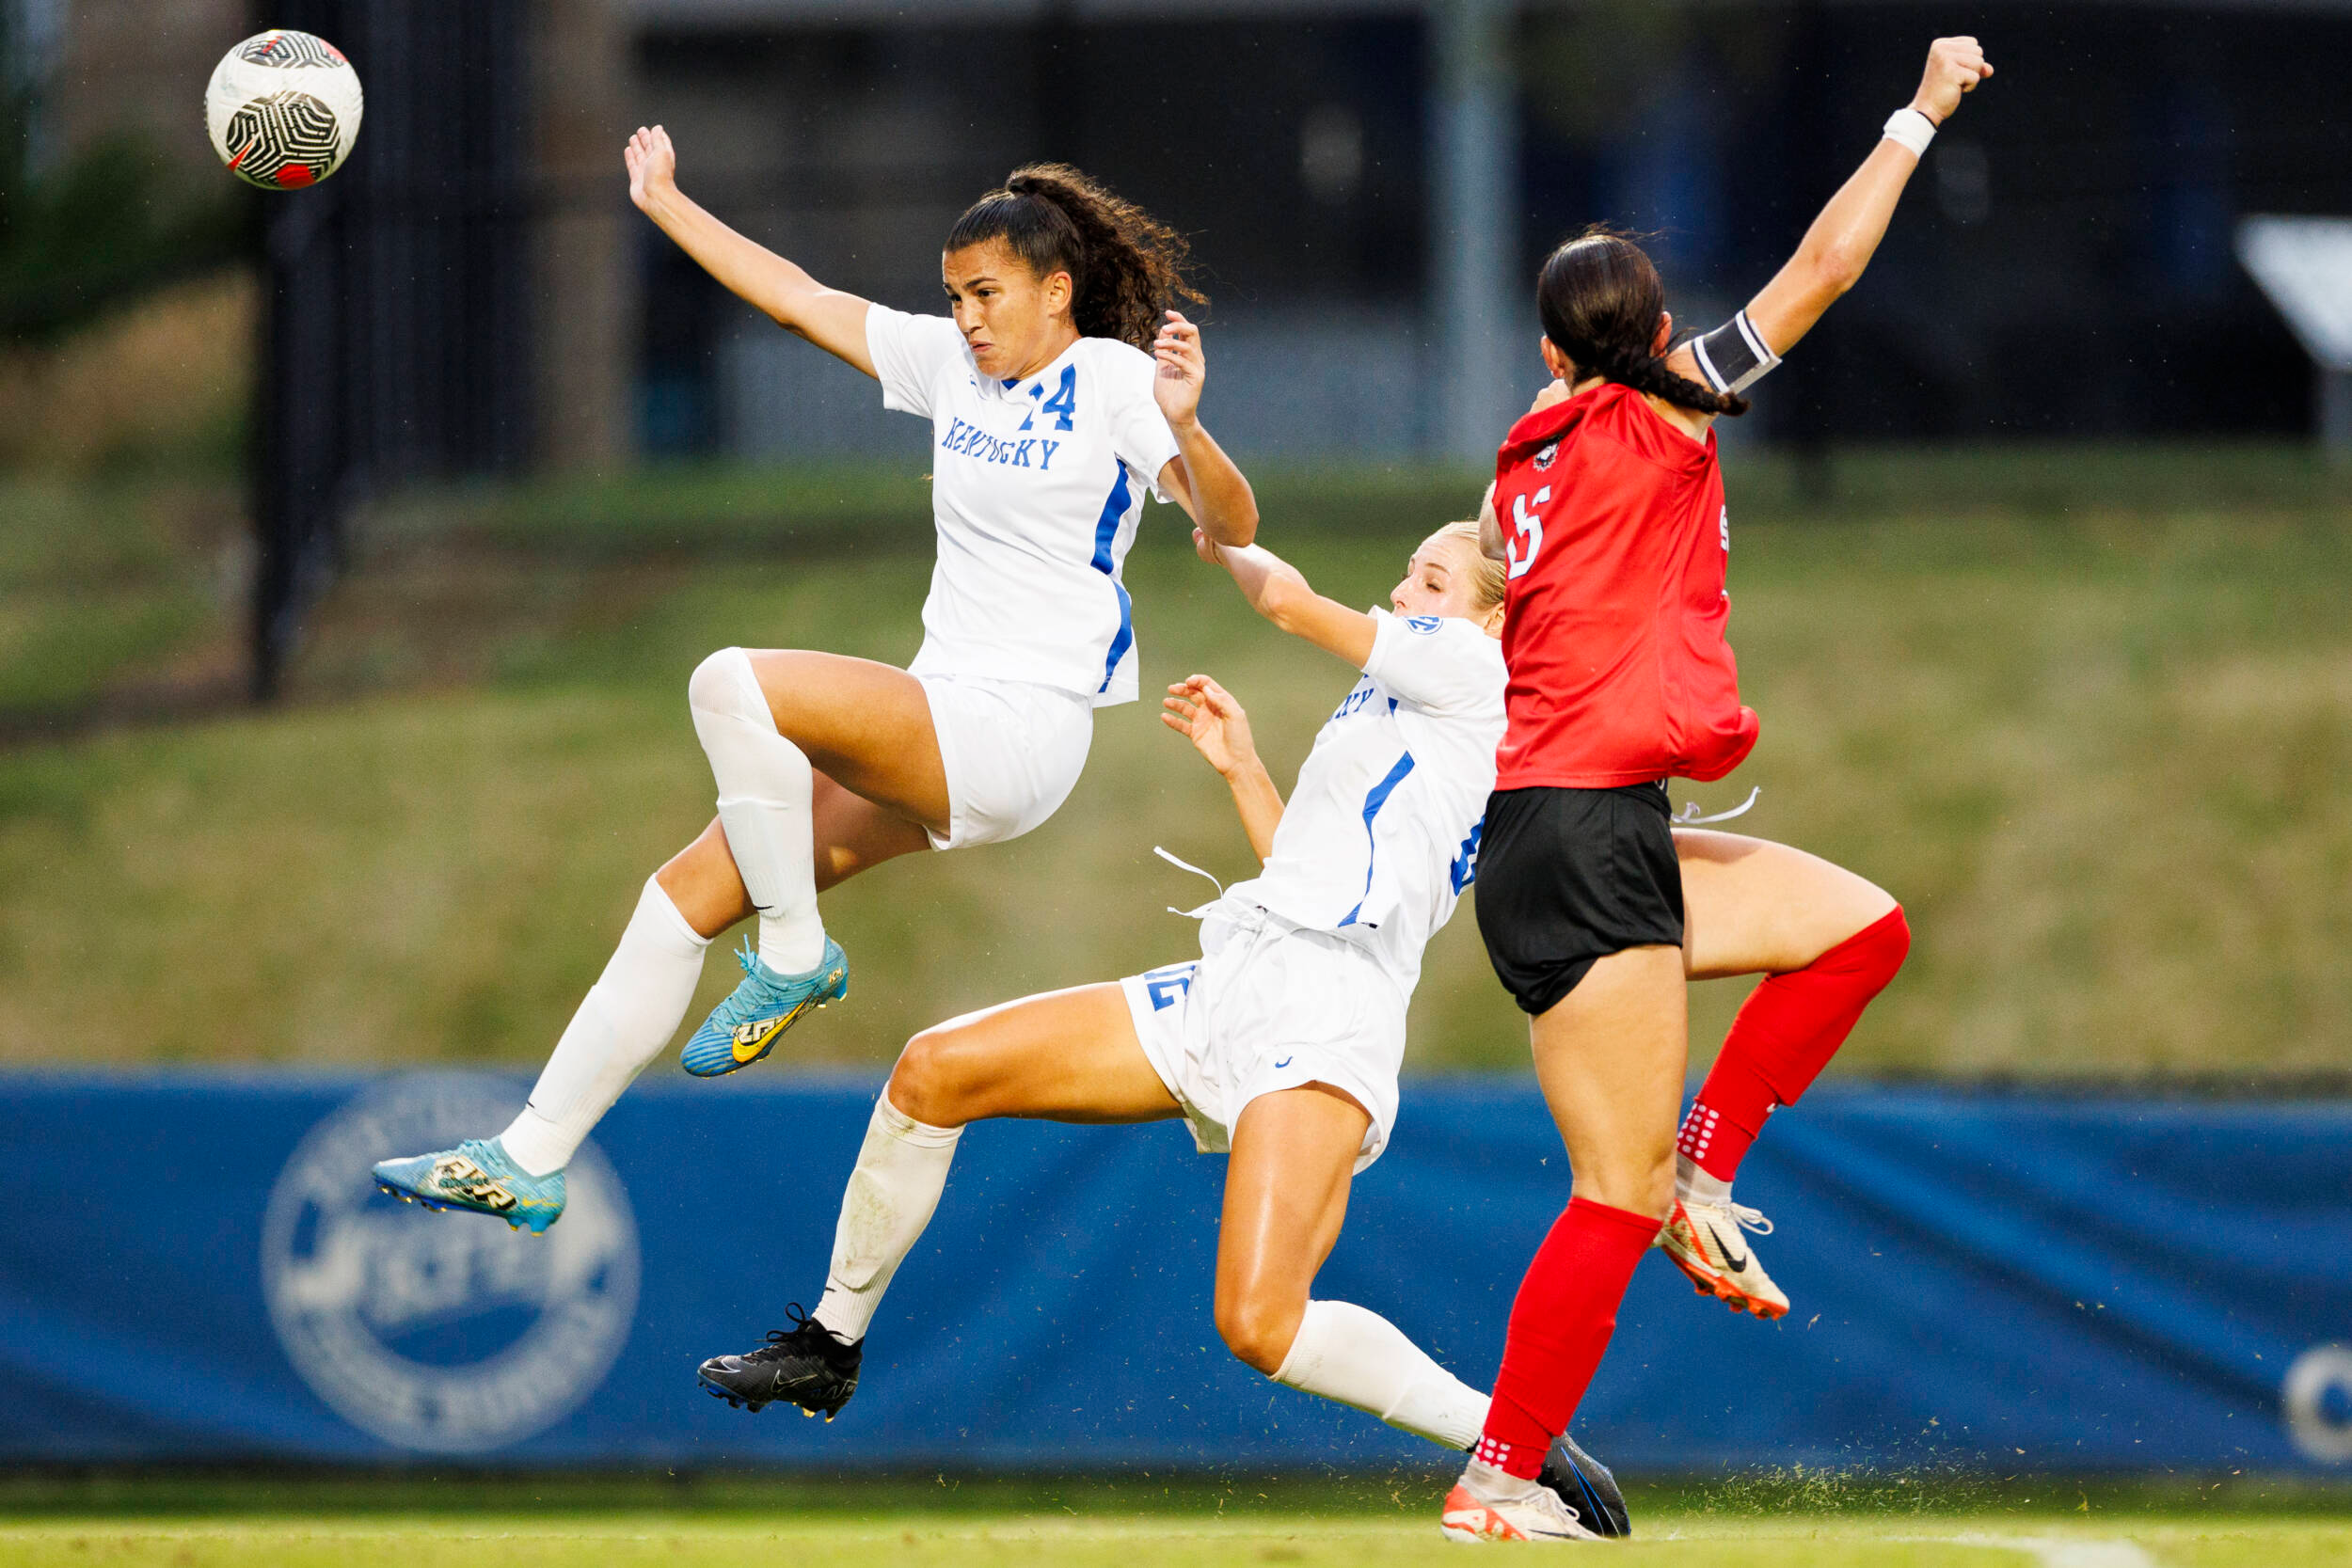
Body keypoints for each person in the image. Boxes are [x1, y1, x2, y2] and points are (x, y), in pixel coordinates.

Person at [372, 133, 1258, 1234]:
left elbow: (1230, 523)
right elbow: (794, 297)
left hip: (1020, 728)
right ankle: (529, 1155)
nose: (969, 316)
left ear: (1056, 289)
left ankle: (795, 953)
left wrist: (1187, 423)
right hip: (946, 716)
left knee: (731, 681)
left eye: (988, 293)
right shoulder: (952, 367)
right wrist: (666, 205)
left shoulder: (1116, 382)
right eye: (954, 296)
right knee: (683, 893)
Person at [691, 522, 1628, 1540]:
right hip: (1246, 971)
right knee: (934, 1069)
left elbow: (1284, 600)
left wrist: (1223, 530)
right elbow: (1308, 871)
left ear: (1495, 616)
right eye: (1406, 567)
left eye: (1431, 578)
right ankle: (830, 1342)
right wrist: (1243, 768)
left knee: (1258, 1322)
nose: (1403, 588)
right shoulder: (1420, 691)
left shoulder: (1466, 662)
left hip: (1324, 1009)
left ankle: (1512, 1445)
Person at [1440, 36, 1992, 1544]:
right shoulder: (1662, 409)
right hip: (1584, 829)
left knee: (1861, 926)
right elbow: (1823, 265)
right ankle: (1499, 1474)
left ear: (1547, 350)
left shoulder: (1525, 454)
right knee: (1606, 1197)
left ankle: (1707, 1161)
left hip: (1571, 825)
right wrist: (1919, 111)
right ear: (1652, 333)